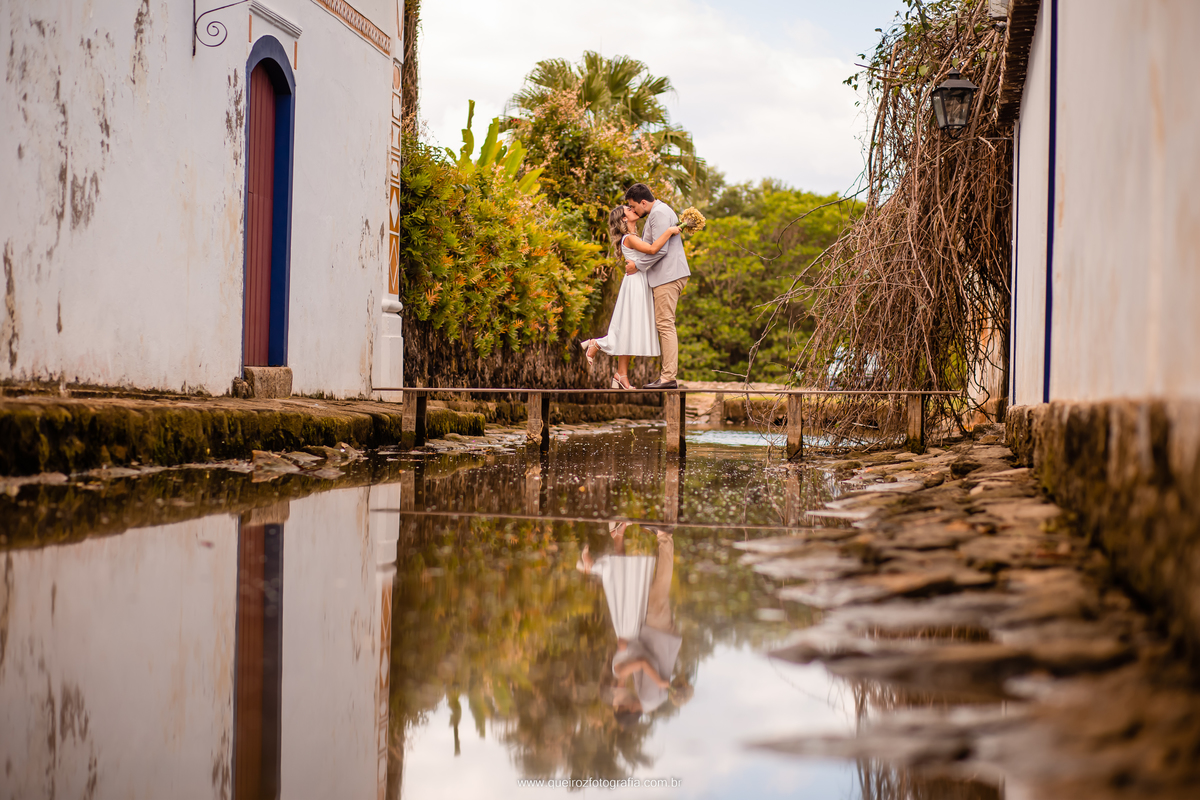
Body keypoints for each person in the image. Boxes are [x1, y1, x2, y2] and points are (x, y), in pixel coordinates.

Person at [579, 206, 680, 389]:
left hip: (639, 282)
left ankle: (621, 375)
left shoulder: (635, 237)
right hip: (635, 285)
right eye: (628, 209)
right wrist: (670, 231)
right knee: (628, 326)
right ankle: (598, 343)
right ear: (624, 219)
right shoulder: (630, 238)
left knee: (630, 328)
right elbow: (652, 250)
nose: (633, 209)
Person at [622, 183, 691, 390]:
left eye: (634, 206)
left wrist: (637, 265)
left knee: (665, 324)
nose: (633, 210)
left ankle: (668, 377)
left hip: (668, 276)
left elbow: (659, 250)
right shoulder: (658, 212)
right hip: (665, 275)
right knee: (664, 324)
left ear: (643, 202)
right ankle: (667, 375)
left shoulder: (659, 213)